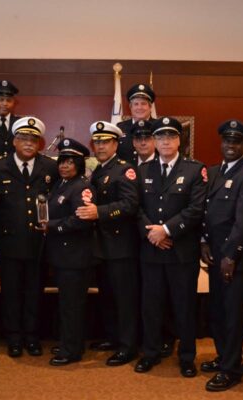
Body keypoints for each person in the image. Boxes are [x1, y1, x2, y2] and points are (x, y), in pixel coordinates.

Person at [134, 117, 207, 377]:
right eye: (160, 137)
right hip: (151, 251)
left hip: (181, 252)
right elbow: (136, 208)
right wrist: (151, 233)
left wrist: (165, 230)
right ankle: (150, 353)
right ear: (154, 141)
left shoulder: (195, 170)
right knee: (150, 306)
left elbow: (196, 209)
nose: (165, 141)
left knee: (184, 307)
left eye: (171, 137)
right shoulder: (142, 170)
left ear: (179, 141)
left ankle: (187, 357)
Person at [199, 120, 243, 391]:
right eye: (227, 141)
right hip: (214, 254)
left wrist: (231, 255)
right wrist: (203, 241)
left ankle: (232, 368)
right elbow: (205, 212)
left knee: (234, 314)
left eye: (236, 142)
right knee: (217, 311)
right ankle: (223, 356)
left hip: (234, 259)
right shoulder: (213, 172)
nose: (230, 146)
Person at [0, 116, 58, 357]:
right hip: (9, 242)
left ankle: (31, 336)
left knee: (34, 292)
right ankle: (14, 337)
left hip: (39, 242)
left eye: (33, 139)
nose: (28, 143)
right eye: (23, 138)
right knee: (11, 292)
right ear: (14, 141)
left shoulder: (49, 167)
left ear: (39, 143)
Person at [75, 121, 139, 366]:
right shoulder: (99, 170)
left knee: (124, 299)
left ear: (116, 144)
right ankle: (113, 338)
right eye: (97, 142)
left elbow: (130, 205)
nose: (101, 146)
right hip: (102, 246)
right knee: (108, 297)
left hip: (121, 247)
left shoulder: (125, 170)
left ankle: (127, 346)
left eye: (106, 142)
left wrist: (99, 212)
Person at [43, 138, 95, 366]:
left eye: (70, 162)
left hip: (76, 258)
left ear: (79, 164)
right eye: (62, 161)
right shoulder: (60, 184)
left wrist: (52, 226)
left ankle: (70, 351)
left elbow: (81, 220)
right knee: (66, 304)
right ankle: (69, 342)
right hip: (63, 257)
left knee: (72, 307)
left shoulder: (82, 187)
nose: (64, 166)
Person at [117, 83, 156, 165]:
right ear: (130, 107)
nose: (139, 107)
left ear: (150, 107)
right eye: (136, 104)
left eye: (143, 104)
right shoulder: (120, 128)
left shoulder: (158, 127)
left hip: (154, 175)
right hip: (125, 175)